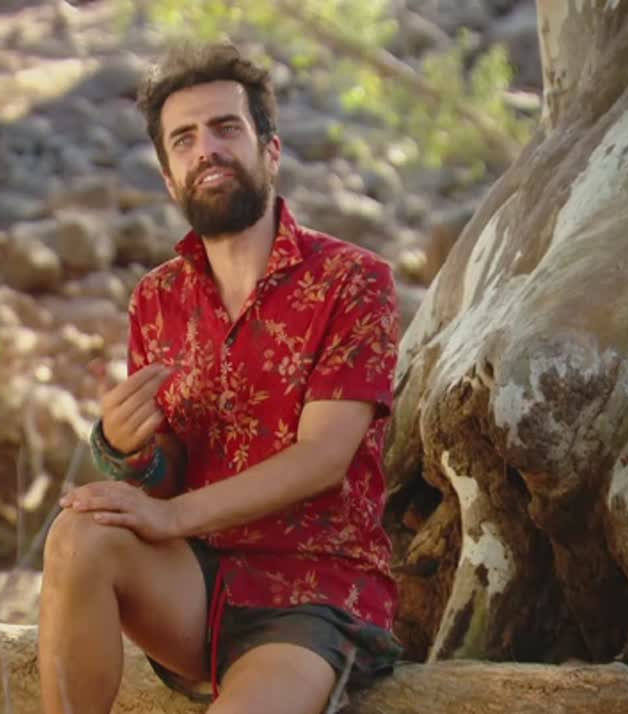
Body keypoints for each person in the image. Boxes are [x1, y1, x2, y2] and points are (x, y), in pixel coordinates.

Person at [37, 41, 403, 714]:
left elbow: (324, 458)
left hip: (314, 597)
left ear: (271, 150)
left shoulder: (353, 281)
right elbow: (169, 472)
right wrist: (128, 453)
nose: (206, 149)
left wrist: (169, 514)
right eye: (184, 140)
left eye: (225, 128)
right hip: (193, 587)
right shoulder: (157, 299)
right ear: (169, 178)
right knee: (76, 533)